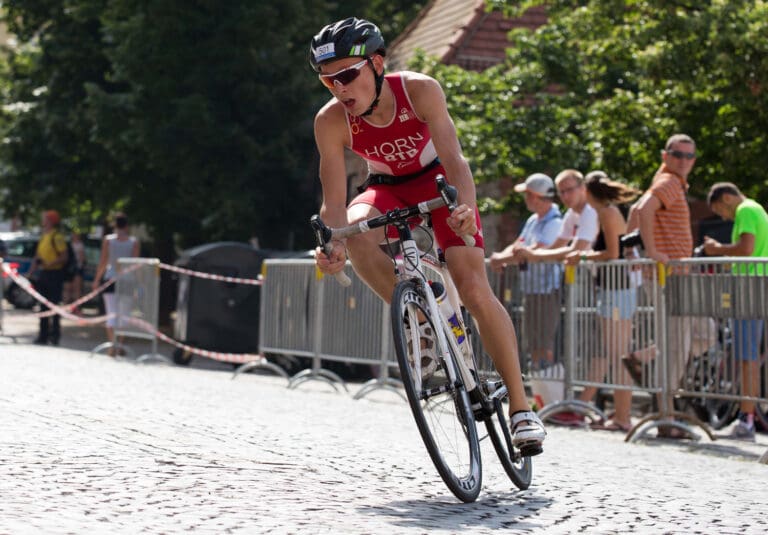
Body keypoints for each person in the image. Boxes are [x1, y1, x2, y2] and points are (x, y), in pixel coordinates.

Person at [309, 17, 545, 451]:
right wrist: (334, 242)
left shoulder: (419, 90)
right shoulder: (330, 121)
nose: (339, 89)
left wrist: (465, 210)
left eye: (346, 75)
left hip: (439, 183)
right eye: (328, 81)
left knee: (474, 288)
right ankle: (419, 323)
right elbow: (335, 200)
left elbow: (455, 160)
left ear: (377, 64)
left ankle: (521, 407)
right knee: (356, 231)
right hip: (387, 189)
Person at [625, 133, 696, 438]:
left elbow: (634, 211)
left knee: (698, 334)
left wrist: (631, 250)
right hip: (669, 277)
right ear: (666, 156)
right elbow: (643, 211)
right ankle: (666, 414)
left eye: (689, 156)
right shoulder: (668, 182)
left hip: (674, 277)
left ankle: (643, 359)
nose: (683, 160)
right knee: (679, 344)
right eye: (677, 154)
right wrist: (650, 253)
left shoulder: (668, 181)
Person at [564, 171, 643, 432]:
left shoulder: (608, 213)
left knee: (619, 354)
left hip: (618, 290)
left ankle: (623, 417)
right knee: (614, 353)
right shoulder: (605, 212)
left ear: (588, 192)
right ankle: (619, 414)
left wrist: (583, 257)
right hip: (612, 289)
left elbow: (612, 252)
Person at [703, 182, 768, 441]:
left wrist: (716, 250)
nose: (723, 216)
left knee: (747, 355)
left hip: (749, 287)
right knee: (748, 354)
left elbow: (746, 249)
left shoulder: (745, 211)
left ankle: (746, 419)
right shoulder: (757, 209)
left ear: (727, 198)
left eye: (720, 210)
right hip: (755, 285)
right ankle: (748, 417)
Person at [489, 173, 562, 373]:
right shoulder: (533, 220)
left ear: (536, 196)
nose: (526, 200)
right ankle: (539, 390)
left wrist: (501, 259)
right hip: (532, 290)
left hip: (547, 291)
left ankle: (547, 389)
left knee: (544, 342)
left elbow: (531, 254)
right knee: (533, 342)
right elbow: (518, 246)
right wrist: (500, 256)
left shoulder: (554, 223)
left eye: (528, 195)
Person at [516, 169, 599, 263]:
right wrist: (534, 255)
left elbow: (576, 250)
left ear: (583, 188)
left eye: (569, 190)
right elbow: (557, 246)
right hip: (589, 273)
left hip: (602, 274)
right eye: (561, 192)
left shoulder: (590, 211)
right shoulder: (572, 213)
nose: (565, 196)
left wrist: (534, 255)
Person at [93, 212, 139, 357]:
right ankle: (118, 345)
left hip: (111, 278)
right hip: (127, 279)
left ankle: (113, 344)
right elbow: (135, 264)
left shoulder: (109, 240)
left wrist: (96, 279)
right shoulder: (133, 242)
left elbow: (103, 261)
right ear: (127, 225)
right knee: (124, 314)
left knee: (111, 312)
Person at [28, 210, 68, 345]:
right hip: (44, 274)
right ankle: (43, 335)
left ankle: (55, 336)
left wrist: (50, 263)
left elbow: (64, 256)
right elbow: (38, 257)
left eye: (45, 218)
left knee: (55, 306)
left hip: (55, 274)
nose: (42, 220)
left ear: (50, 220)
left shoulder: (57, 236)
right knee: (43, 305)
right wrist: (31, 272)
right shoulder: (44, 236)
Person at [63, 231, 86, 311]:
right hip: (75, 269)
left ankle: (68, 307)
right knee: (75, 290)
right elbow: (82, 259)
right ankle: (75, 308)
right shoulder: (79, 245)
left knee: (69, 289)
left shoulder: (70, 244)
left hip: (70, 269)